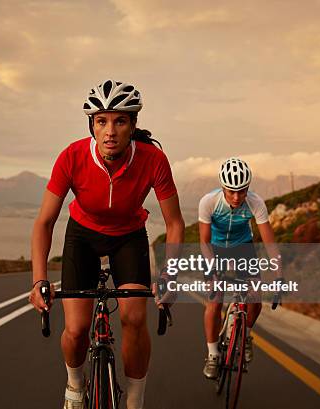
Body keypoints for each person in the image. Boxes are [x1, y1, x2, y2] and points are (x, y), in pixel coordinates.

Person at [29, 79, 185, 409]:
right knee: (76, 329)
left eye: (120, 121)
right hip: (82, 236)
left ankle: (135, 398)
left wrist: (170, 275)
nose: (110, 131)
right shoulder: (71, 157)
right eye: (101, 121)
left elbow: (174, 223)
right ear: (92, 127)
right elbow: (44, 222)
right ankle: (74, 384)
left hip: (129, 237)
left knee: (133, 318)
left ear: (133, 125)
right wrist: (39, 280)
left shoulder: (153, 160)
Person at [198, 157, 281, 379]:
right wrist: (213, 270)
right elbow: (204, 241)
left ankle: (245, 335)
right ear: (223, 187)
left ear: (248, 188)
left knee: (255, 297)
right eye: (231, 191)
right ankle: (213, 354)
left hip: (243, 247)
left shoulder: (256, 202)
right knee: (214, 300)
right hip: (214, 249)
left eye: (242, 191)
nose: (236, 197)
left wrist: (279, 276)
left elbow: (269, 242)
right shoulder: (209, 201)